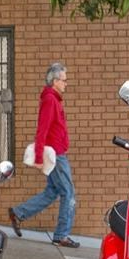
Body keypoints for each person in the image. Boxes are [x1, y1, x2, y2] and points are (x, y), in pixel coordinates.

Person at [9, 62, 79, 248]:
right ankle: (61, 235)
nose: (66, 83)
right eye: (64, 80)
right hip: (56, 155)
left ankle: (18, 213)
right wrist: (39, 158)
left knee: (52, 192)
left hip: (58, 152)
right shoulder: (50, 100)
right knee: (69, 193)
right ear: (55, 81)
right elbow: (43, 129)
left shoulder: (54, 99)